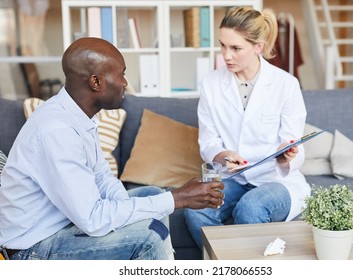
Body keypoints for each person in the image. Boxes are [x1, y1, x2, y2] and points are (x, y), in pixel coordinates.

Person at [0, 37, 224, 260]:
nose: (125, 83)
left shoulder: (78, 117)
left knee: (153, 195)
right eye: (122, 75)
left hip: (62, 226)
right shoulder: (57, 131)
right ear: (96, 82)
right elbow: (93, 219)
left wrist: (160, 203)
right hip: (32, 249)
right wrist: (177, 198)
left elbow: (103, 179)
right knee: (149, 237)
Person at [184, 6, 310, 249]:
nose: (226, 55)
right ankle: (225, 265)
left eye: (236, 48)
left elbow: (293, 144)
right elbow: (209, 142)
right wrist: (222, 155)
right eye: (223, 45)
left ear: (258, 47)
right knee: (196, 207)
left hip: (275, 181)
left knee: (251, 206)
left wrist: (286, 155)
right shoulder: (210, 84)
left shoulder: (286, 84)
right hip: (233, 176)